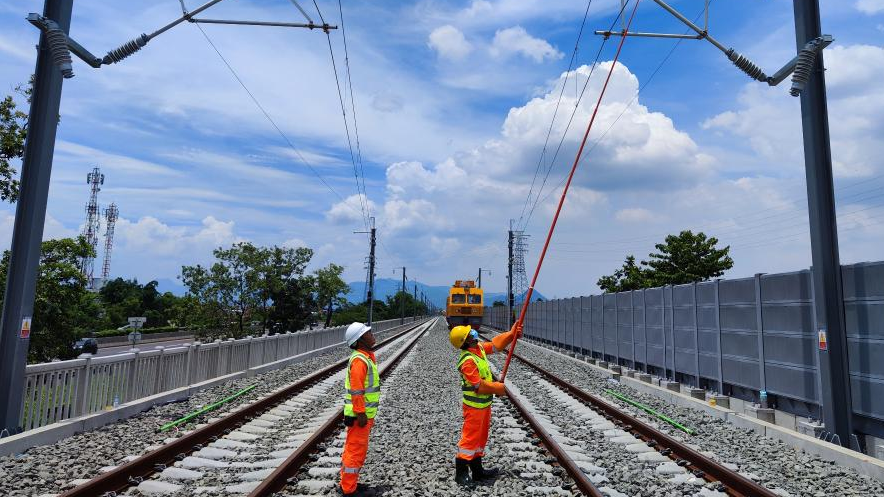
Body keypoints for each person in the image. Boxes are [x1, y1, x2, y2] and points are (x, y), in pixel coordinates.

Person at [449, 323, 521, 485]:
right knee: (470, 438)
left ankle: (477, 470)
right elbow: (478, 386)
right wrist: (498, 388)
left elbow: (495, 345)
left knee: (481, 438)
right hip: (474, 407)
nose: (474, 333)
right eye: (470, 333)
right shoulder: (467, 361)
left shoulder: (478, 349)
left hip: (484, 406)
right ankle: (460, 473)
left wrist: (510, 334)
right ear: (466, 341)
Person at [340, 322, 380, 496]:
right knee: (355, 451)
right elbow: (357, 390)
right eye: (369, 333)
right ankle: (349, 490)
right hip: (359, 416)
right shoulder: (359, 360)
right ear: (360, 339)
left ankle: (348, 483)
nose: (372, 335)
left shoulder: (364, 356)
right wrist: (361, 412)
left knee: (354, 449)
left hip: (362, 414)